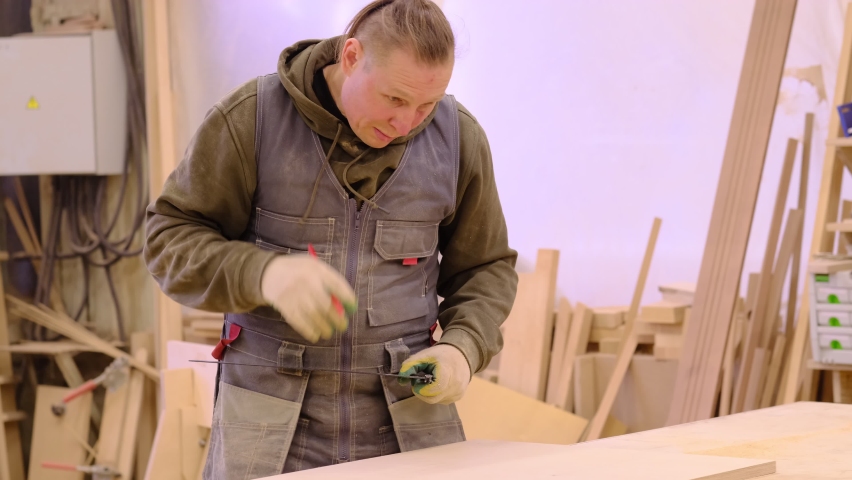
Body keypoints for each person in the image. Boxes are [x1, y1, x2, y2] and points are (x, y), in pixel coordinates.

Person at [143, 0, 518, 477]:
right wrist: (263, 274)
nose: (408, 124)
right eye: (395, 99)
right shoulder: (250, 122)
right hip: (269, 430)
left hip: (407, 423)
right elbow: (167, 239)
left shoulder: (457, 138)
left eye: (426, 104)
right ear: (351, 57)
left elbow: (486, 267)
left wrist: (463, 348)